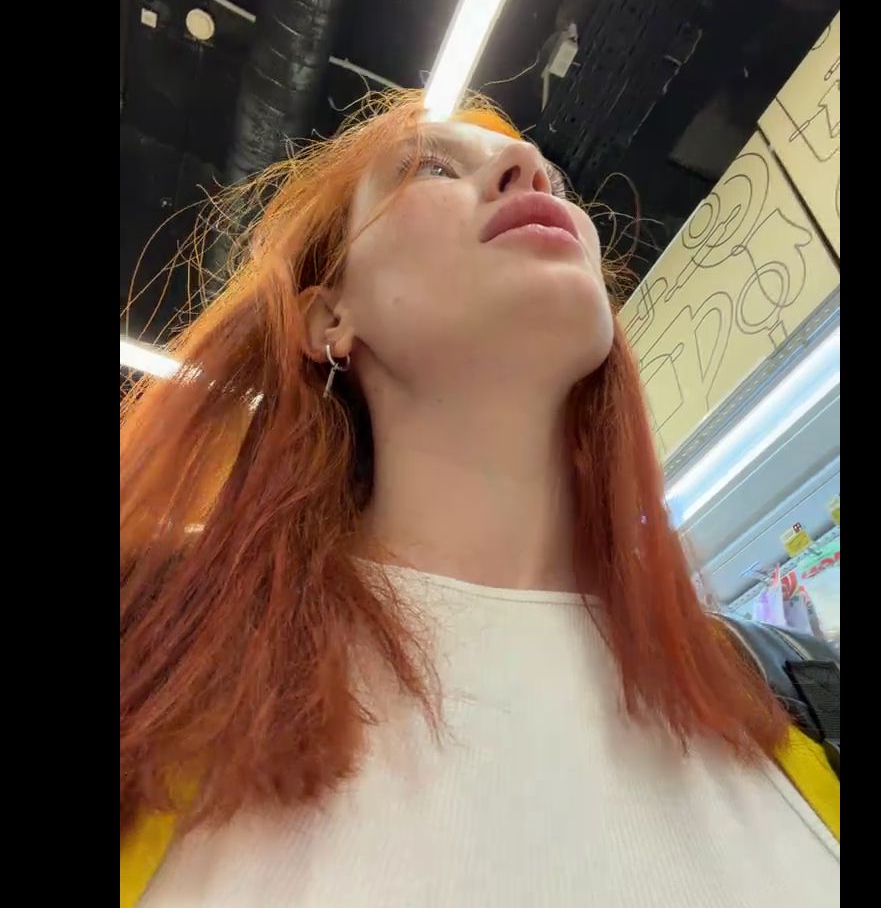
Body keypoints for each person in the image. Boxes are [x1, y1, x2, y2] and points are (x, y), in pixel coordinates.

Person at [120, 91, 839, 907]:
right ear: (329, 319)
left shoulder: (794, 694)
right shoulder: (160, 661)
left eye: (556, 184)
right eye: (431, 167)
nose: (528, 167)